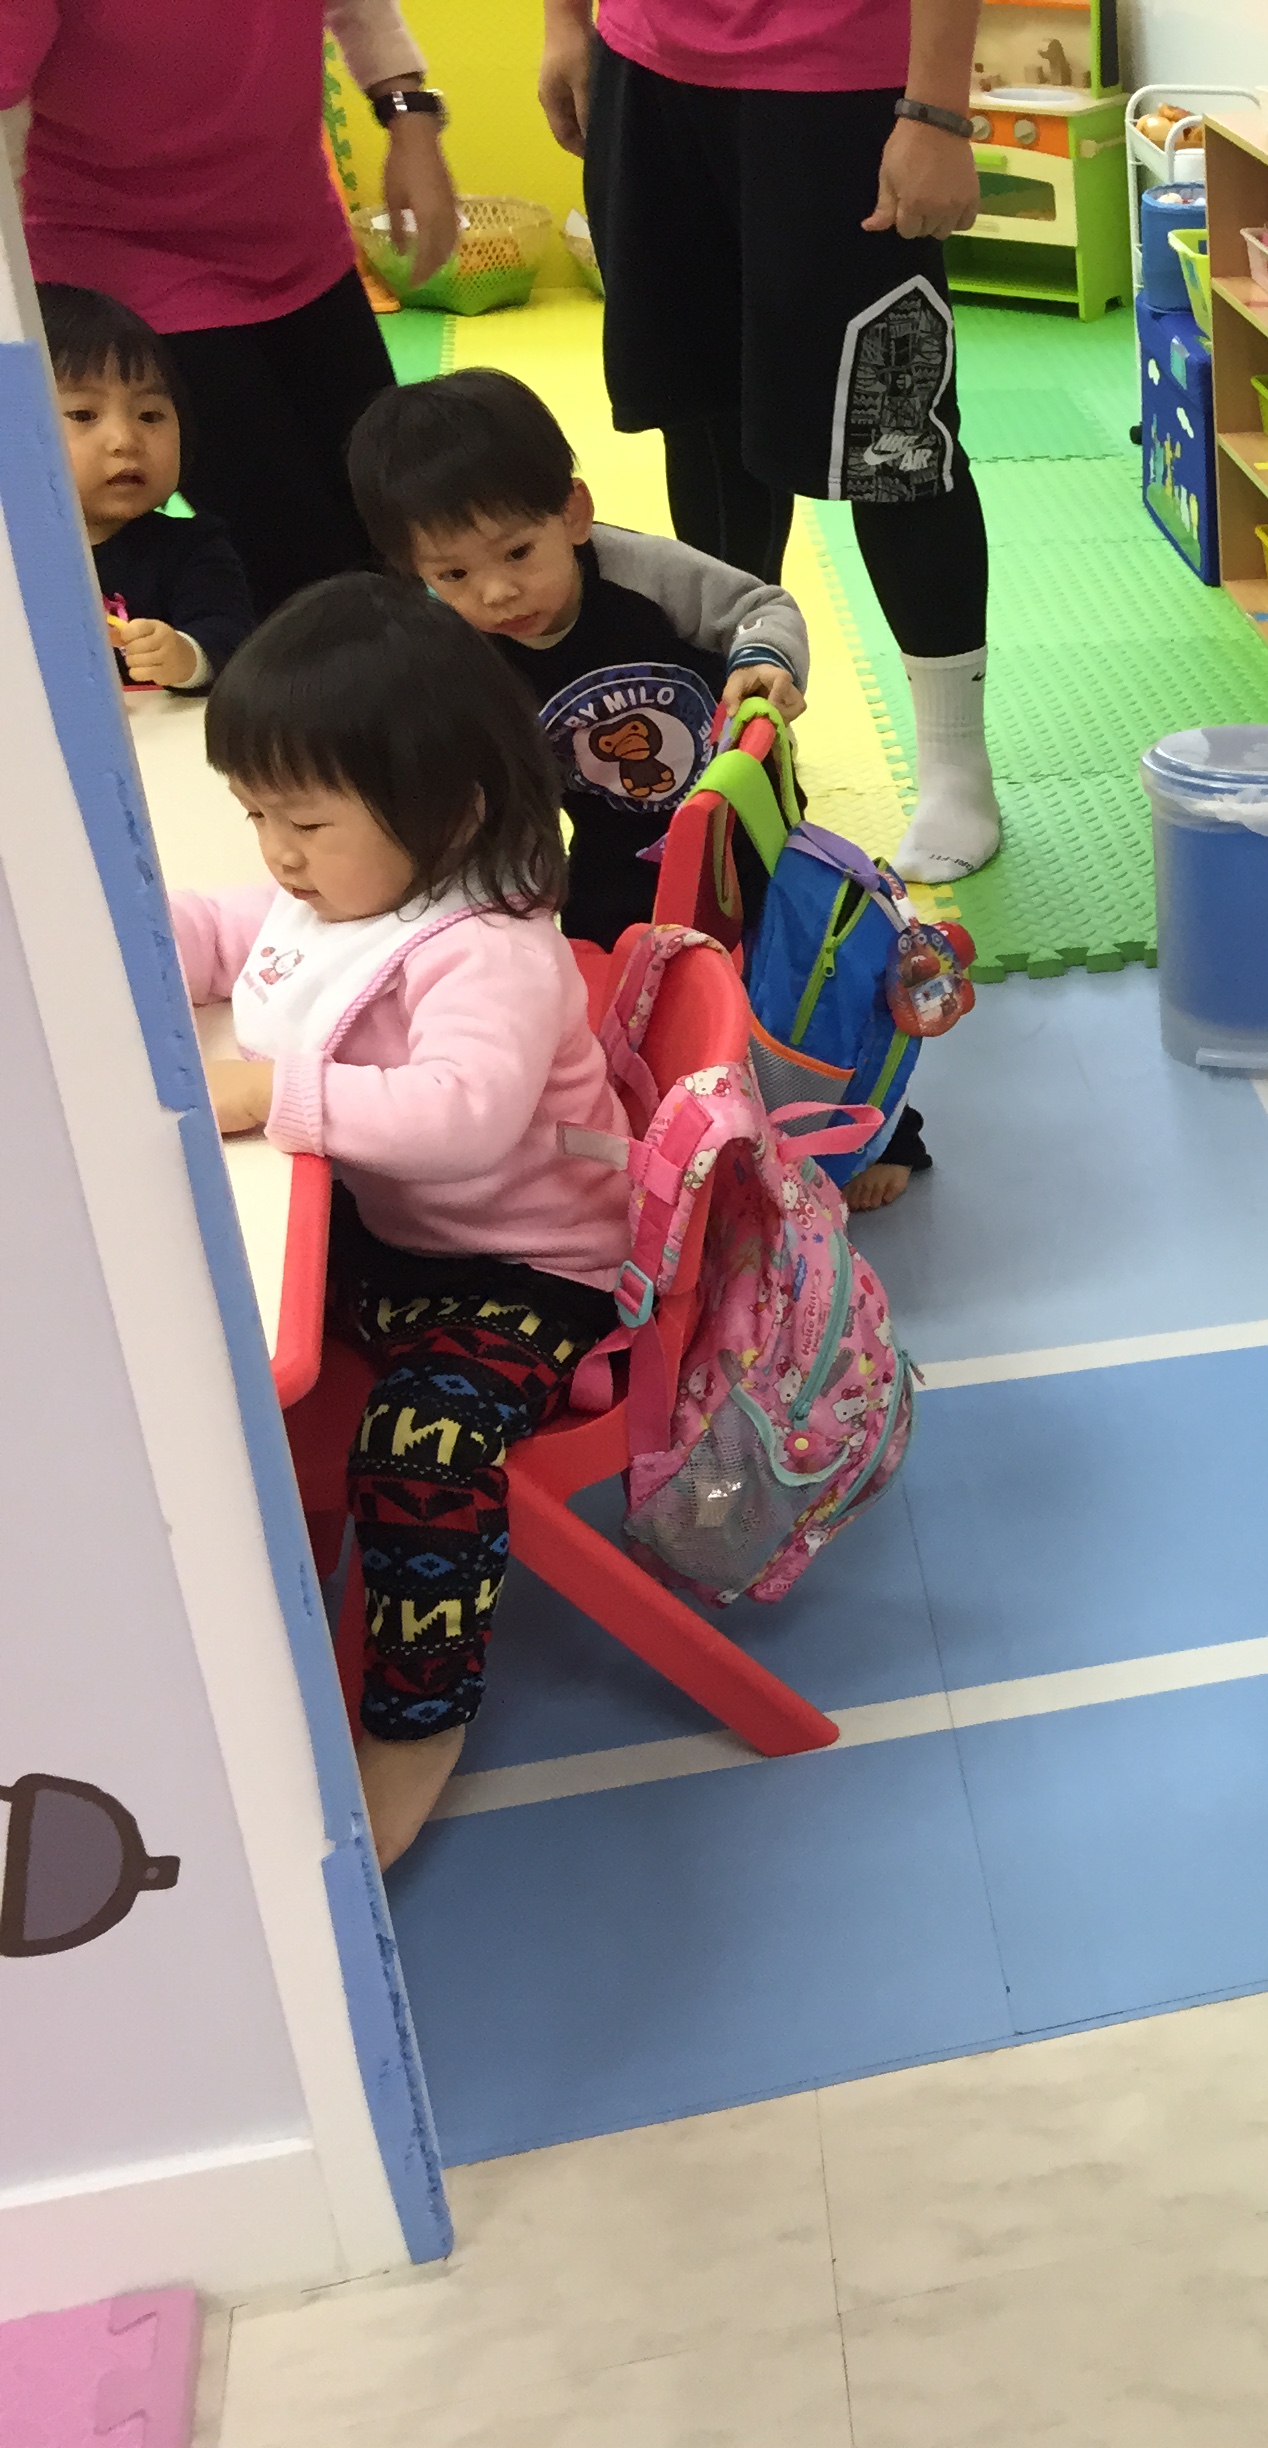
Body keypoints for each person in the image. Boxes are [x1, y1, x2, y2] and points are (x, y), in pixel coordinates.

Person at [173, 576, 634, 1865]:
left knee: (418, 1456)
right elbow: (228, 932)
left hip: (534, 1270)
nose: (278, 854)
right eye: (256, 815)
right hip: (409, 1241)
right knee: (195, 1311)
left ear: (450, 811)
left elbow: (463, 1116)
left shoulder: (488, 946)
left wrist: (274, 1091)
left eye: (304, 822)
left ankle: (418, 1715)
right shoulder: (354, 892)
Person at [342, 367, 933, 1210]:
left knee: (802, 988)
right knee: (607, 993)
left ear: (572, 513)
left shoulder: (641, 574)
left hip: (742, 829)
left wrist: (765, 663)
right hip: (614, 846)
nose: (497, 592)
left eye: (517, 553)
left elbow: (761, 606)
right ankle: (670, 1133)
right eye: (454, 576)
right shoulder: (457, 645)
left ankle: (889, 1130)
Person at [538, 0, 1006, 885]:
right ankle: (746, 731)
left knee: (893, 439)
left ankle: (954, 762)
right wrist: (565, 23)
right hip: (647, 65)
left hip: (841, 83)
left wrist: (937, 110)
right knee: (703, 421)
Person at [3, 0, 461, 611]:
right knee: (295, 562)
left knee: (395, 516)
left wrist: (410, 119)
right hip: (127, 257)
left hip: (296, 234)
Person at [42, 282, 256, 692]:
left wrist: (186, 656)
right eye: (83, 414)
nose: (125, 440)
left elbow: (233, 641)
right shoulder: (13, 557)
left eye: (150, 415)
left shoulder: (192, 548)